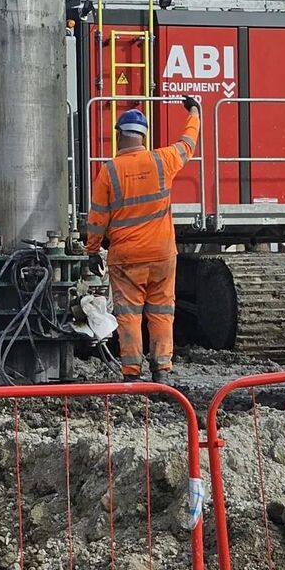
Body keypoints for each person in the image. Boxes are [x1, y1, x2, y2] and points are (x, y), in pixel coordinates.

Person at [85, 97, 201, 382]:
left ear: (119, 135)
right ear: (143, 136)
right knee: (162, 311)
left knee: (129, 315)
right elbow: (188, 142)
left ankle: (131, 372)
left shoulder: (109, 171)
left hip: (126, 257)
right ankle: (162, 370)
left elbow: (98, 216)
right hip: (162, 254)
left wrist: (92, 250)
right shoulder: (162, 160)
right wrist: (194, 112)